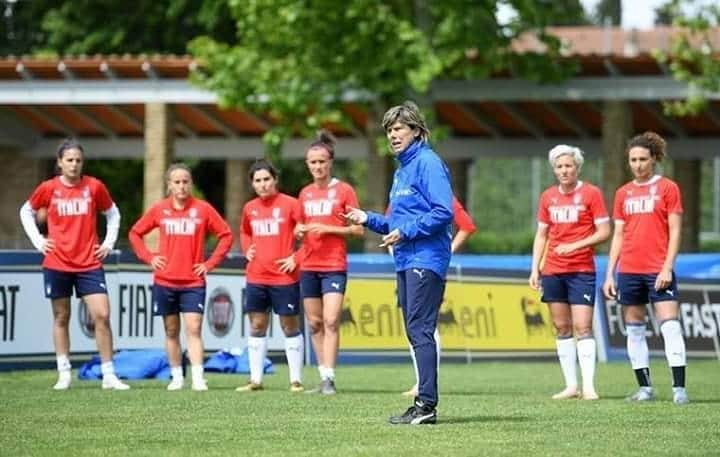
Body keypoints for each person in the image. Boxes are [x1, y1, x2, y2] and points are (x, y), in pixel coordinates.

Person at [345, 101, 453, 425]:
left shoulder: (428, 162)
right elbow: (396, 222)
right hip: (406, 258)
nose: (392, 135)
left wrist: (404, 232)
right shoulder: (402, 171)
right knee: (414, 330)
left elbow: (442, 212)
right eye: (389, 129)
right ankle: (423, 402)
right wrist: (366, 218)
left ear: (417, 131)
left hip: (427, 258)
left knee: (420, 330)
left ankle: (427, 405)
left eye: (398, 128)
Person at [19, 138, 129, 390]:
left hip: (89, 262)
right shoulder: (48, 188)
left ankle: (109, 374)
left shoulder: (94, 187)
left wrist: (109, 243)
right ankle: (64, 372)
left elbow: (113, 213)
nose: (74, 164)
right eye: (69, 160)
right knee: (61, 316)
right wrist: (38, 240)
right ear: (60, 162)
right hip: (57, 261)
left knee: (102, 314)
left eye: (78, 160)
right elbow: (26, 211)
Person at [602, 131, 689, 405]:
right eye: (633, 160)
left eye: (643, 159)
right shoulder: (622, 193)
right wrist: (610, 273)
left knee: (670, 327)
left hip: (657, 269)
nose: (638, 164)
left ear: (653, 159)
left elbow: (675, 232)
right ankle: (645, 389)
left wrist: (667, 268)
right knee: (635, 329)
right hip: (629, 270)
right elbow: (618, 235)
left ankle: (679, 390)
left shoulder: (668, 188)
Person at [129, 163, 233, 391]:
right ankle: (176, 376)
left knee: (194, 328)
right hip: (165, 280)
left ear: (191, 184)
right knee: (171, 330)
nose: (182, 186)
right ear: (169, 185)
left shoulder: (203, 209)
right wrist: (149, 257)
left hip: (193, 281)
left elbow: (226, 235)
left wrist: (209, 264)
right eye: (177, 182)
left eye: (185, 181)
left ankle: (197, 377)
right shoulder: (159, 209)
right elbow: (135, 233)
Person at [528, 145, 610, 401]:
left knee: (583, 326)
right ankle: (571, 386)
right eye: (560, 166)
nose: (564, 170)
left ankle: (589, 386)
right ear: (554, 169)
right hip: (553, 270)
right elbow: (542, 235)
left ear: (577, 167)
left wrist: (575, 245)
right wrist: (535, 268)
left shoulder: (591, 193)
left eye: (568, 166)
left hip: (581, 270)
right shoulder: (547, 197)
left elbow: (604, 232)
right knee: (562, 326)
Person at [295, 131, 363, 395]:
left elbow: (358, 230)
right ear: (307, 165)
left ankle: (330, 378)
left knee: (331, 319)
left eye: (322, 161)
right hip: (309, 265)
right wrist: (299, 232)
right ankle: (323, 375)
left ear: (330, 162)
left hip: (334, 264)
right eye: (313, 162)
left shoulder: (344, 190)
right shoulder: (305, 194)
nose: (317, 166)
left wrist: (330, 229)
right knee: (314, 323)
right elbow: (300, 228)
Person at [237, 159, 305, 393]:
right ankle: (255, 380)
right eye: (258, 181)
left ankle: (295, 380)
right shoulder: (250, 208)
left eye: (267, 179)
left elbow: (310, 236)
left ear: (275, 180)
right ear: (252, 184)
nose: (263, 184)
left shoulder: (291, 204)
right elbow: (245, 232)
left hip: (284, 278)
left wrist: (295, 258)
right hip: (256, 276)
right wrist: (247, 249)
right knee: (256, 325)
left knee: (289, 325)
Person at [401, 195, 477, 397]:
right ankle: (421, 381)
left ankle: (424, 383)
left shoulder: (438, 192)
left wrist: (446, 251)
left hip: (428, 265)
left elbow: (467, 225)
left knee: (424, 324)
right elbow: (392, 222)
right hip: (406, 265)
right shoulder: (404, 191)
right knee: (413, 325)